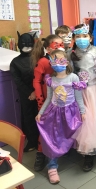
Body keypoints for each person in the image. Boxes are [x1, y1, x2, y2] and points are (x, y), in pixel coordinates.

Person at [35, 50, 85, 184]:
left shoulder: (73, 77)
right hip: (54, 112)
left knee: (69, 134)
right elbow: (49, 98)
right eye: (54, 60)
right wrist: (41, 113)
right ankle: (52, 166)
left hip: (70, 112)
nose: (57, 63)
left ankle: (70, 152)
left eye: (60, 60)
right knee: (53, 137)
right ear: (51, 63)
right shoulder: (51, 80)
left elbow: (78, 96)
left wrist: (83, 111)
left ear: (66, 62)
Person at [69, 24, 96, 171]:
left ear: (90, 37)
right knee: (84, 121)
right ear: (74, 38)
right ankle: (87, 153)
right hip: (78, 92)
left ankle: (95, 146)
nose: (82, 39)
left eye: (84, 36)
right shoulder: (70, 53)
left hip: (95, 90)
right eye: (78, 36)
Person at [31, 34, 64, 171]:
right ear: (48, 48)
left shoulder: (63, 60)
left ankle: (59, 151)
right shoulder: (44, 62)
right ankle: (41, 153)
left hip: (61, 101)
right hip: (47, 101)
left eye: (61, 44)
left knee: (59, 127)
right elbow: (36, 81)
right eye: (56, 45)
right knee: (46, 128)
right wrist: (40, 101)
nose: (60, 47)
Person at [10, 32, 39, 152]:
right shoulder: (15, 62)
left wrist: (36, 92)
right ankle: (32, 142)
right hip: (26, 95)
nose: (27, 46)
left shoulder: (38, 57)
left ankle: (43, 140)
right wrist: (30, 93)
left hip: (40, 93)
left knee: (41, 116)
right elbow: (18, 80)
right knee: (28, 117)